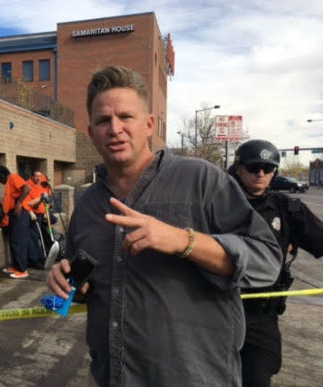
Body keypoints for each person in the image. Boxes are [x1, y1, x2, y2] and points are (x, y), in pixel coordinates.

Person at [47, 66, 282, 387]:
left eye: (126, 117)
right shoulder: (87, 204)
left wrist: (184, 241)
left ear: (148, 125)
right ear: (91, 133)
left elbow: (267, 262)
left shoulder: (201, 180)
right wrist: (65, 286)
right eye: (103, 120)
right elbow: (86, 292)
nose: (115, 129)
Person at [229, 139, 323, 387]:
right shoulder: (217, 203)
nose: (260, 173)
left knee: (257, 379)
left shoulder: (288, 209)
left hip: (261, 316)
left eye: (268, 168)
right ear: (238, 168)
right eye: (253, 167)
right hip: (216, 310)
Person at [0, 165, 42, 278]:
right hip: (14, 214)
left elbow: (27, 188)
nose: (0, 182)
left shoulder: (13, 178)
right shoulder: (10, 181)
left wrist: (19, 203)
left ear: (2, 175)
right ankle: (15, 266)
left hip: (20, 213)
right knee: (14, 241)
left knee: (19, 242)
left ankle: (22, 270)